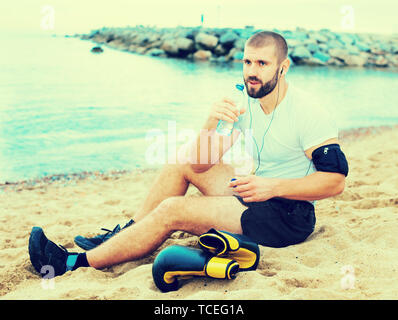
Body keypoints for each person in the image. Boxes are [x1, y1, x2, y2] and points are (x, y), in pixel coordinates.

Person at [28, 31, 349, 277]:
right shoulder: (245, 101)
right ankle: (126, 235)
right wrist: (211, 122)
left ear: (283, 67)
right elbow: (199, 163)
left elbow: (335, 182)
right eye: (247, 62)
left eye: (262, 64)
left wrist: (273, 187)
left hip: (288, 217)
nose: (252, 72)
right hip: (257, 194)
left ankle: (72, 263)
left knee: (172, 210)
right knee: (182, 160)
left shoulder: (308, 111)